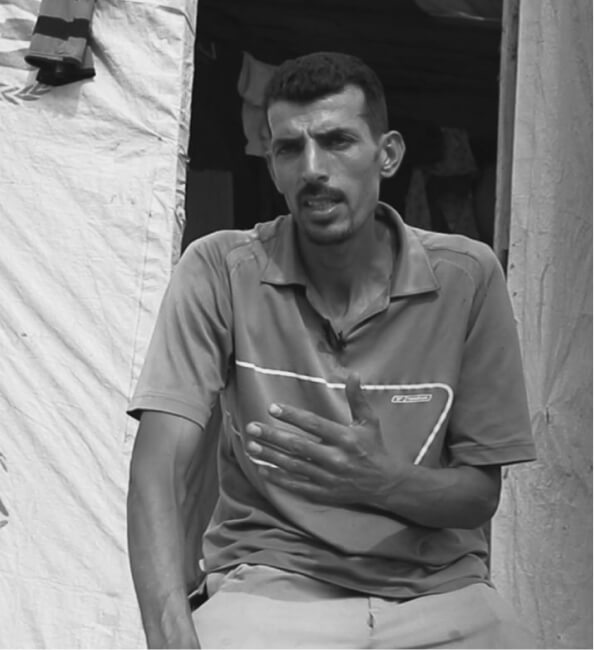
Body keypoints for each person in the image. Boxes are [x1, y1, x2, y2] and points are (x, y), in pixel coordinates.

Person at [126, 51, 537, 649]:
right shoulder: (221, 270)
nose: (313, 169)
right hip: (270, 586)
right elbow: (159, 472)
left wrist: (378, 481)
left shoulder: (466, 277)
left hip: (440, 592)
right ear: (272, 165)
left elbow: (478, 496)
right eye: (290, 149)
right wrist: (171, 640)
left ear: (387, 154)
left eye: (337, 141)